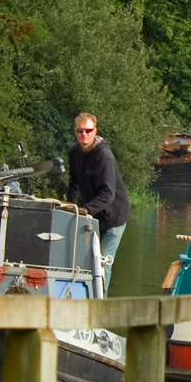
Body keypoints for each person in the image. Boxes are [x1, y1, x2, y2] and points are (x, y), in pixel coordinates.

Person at [66, 113, 130, 293]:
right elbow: (74, 180)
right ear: (75, 131)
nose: (84, 135)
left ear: (95, 131)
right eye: (80, 131)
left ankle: (100, 305)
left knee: (102, 264)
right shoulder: (74, 152)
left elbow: (108, 193)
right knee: (83, 262)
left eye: (88, 130)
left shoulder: (104, 156)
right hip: (92, 217)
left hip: (114, 218)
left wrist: (84, 210)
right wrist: (70, 202)